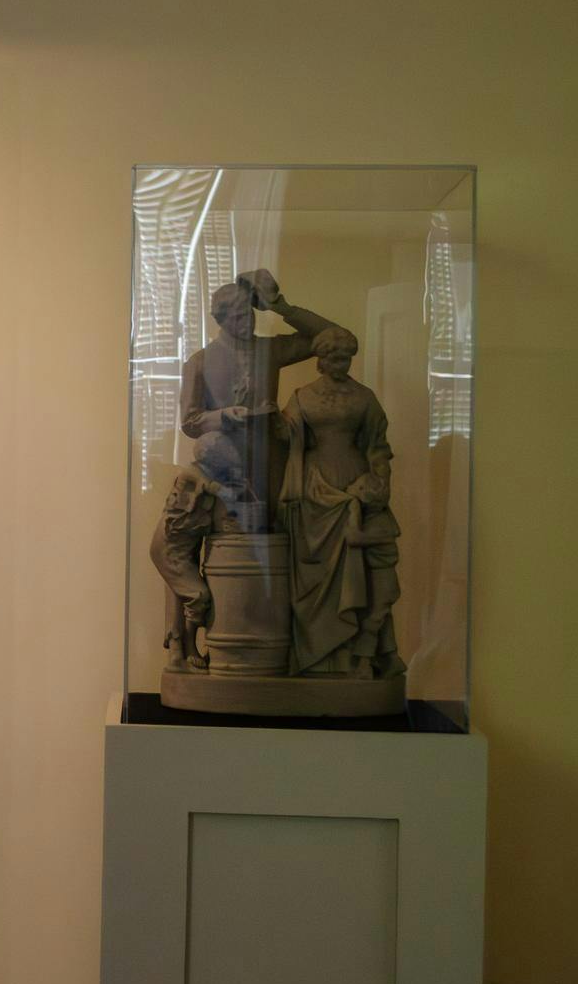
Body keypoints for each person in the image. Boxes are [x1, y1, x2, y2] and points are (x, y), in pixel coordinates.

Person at [278, 327, 406, 678]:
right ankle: (316, 659)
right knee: (313, 573)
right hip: (314, 491)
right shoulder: (302, 397)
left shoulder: (364, 398)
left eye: (345, 357)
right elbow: (284, 435)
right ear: (319, 359)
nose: (339, 363)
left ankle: (354, 656)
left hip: (354, 485)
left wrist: (380, 485)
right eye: (332, 357)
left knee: (359, 572)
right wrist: (270, 420)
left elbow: (378, 447)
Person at [178, 270, 338, 512]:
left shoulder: (269, 349)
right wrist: (224, 415)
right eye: (239, 318)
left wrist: (282, 307)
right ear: (220, 320)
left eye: (249, 314)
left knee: (278, 524)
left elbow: (334, 337)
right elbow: (190, 422)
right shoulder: (199, 362)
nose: (248, 322)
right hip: (225, 459)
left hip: (273, 452)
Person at [149, 433, 247, 672]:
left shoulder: (207, 475)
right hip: (171, 548)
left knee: (179, 593)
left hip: (185, 548)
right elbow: (220, 492)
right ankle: (189, 646)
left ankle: (177, 650)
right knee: (198, 594)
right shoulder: (193, 474)